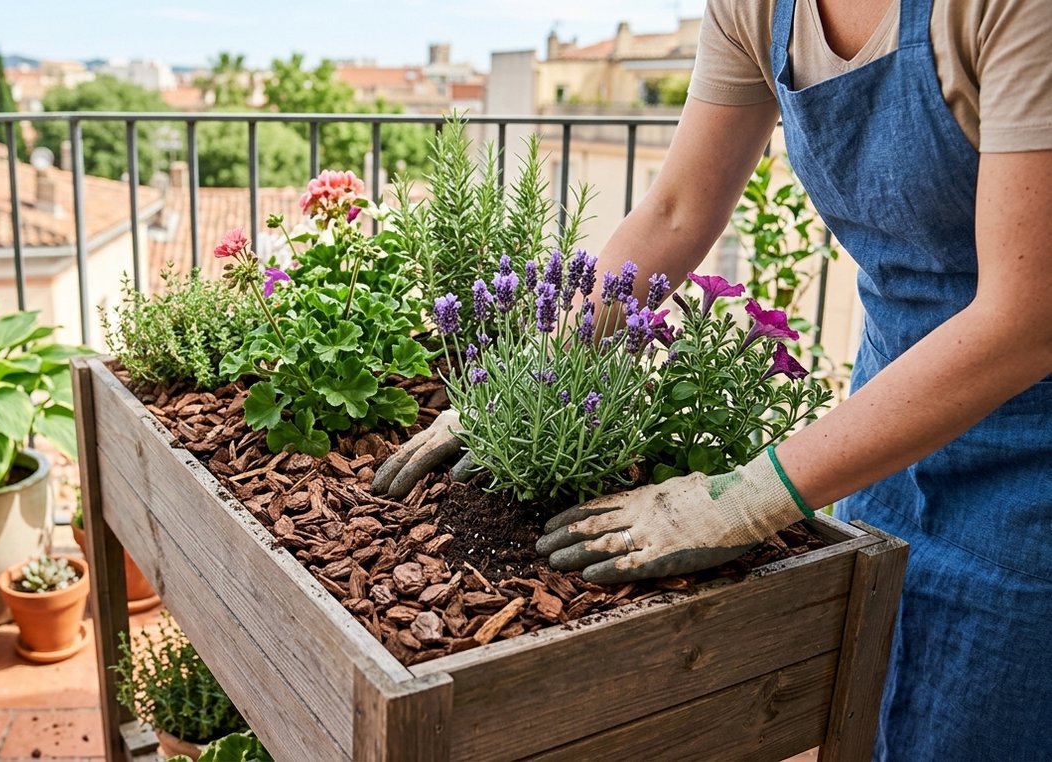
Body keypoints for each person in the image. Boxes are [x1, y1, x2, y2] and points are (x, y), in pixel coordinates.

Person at [373, 0, 1052, 758]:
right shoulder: (755, 7)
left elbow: (1024, 322)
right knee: (874, 705)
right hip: (894, 410)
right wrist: (536, 372)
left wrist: (744, 499)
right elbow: (674, 210)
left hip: (1035, 464)